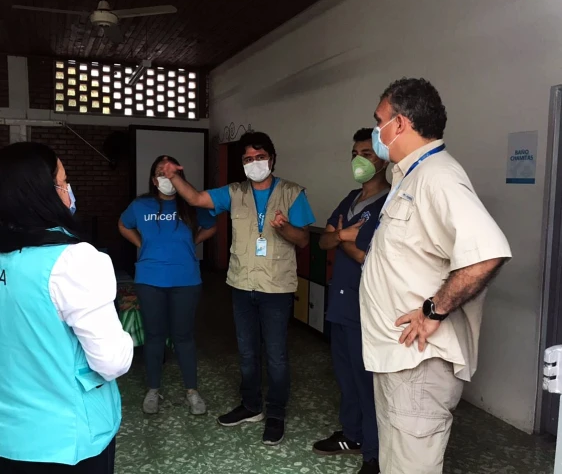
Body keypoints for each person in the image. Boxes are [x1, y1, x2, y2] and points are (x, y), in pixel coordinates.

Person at [0, 142, 134, 474]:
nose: (68, 191)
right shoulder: (75, 260)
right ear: (40, 192)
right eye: (63, 181)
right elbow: (111, 363)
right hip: (62, 432)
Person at [360, 78, 512, 474]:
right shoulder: (408, 176)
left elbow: (487, 253)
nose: (376, 131)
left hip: (419, 365)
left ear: (401, 124)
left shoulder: (438, 176)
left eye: (380, 121)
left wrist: (433, 310)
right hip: (399, 360)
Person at [161, 131, 315, 445]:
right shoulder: (234, 192)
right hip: (242, 284)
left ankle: (275, 413)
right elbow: (196, 199)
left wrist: (285, 228)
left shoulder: (292, 192)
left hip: (276, 287)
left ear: (271, 159)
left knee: (276, 356)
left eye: (259, 157)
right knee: (246, 353)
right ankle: (251, 406)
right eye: (248, 159)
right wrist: (174, 176)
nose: (254, 163)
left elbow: (304, 240)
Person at [313, 128, 389, 474]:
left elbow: (368, 257)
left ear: (383, 159)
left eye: (368, 154)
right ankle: (352, 434)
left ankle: (373, 454)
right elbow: (323, 243)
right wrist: (344, 235)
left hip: (368, 307)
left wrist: (339, 237)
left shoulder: (390, 203)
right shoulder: (349, 199)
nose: (360, 160)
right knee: (345, 376)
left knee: (366, 381)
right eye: (356, 153)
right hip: (342, 304)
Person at [118, 155, 217, 416]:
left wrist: (192, 241)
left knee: (184, 336)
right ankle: (153, 389)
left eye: (170, 172)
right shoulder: (141, 205)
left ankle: (192, 391)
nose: (166, 177)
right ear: (154, 180)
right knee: (154, 336)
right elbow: (122, 224)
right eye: (161, 173)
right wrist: (141, 244)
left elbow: (211, 227)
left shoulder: (192, 205)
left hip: (186, 280)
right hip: (150, 280)